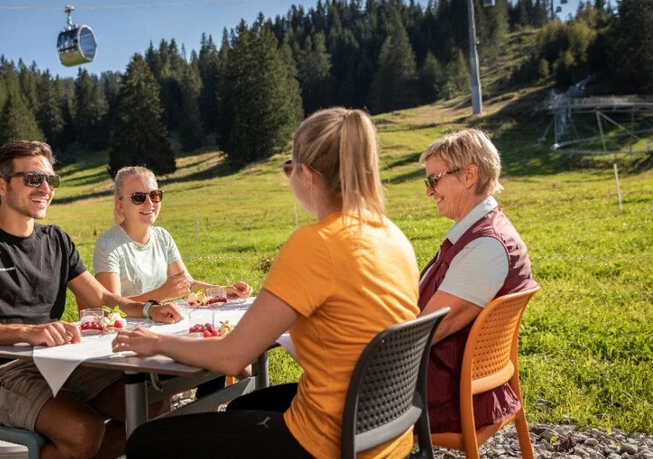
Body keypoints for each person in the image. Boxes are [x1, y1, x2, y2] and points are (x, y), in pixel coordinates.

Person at [113, 107, 421, 459]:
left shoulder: (316, 243)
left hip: (325, 443)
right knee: (243, 407)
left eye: (290, 169)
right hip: (384, 431)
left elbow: (232, 357)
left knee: (144, 440)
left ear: (306, 175)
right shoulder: (392, 236)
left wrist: (155, 343)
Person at [0, 140, 183, 459]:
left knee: (152, 405)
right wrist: (29, 332)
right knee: (84, 430)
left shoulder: (56, 240)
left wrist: (150, 309)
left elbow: (101, 296)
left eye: (50, 180)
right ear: (0, 184)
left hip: (57, 362)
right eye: (33, 179)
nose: (45, 188)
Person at [417, 129, 538, 434]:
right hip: (446, 387)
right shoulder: (484, 235)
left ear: (469, 176)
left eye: (434, 180)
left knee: (329, 399)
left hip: (443, 398)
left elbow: (423, 334)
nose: (430, 191)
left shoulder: (486, 247)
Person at [93, 165, 252, 303]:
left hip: (161, 320)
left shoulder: (162, 237)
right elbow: (109, 306)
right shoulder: (108, 245)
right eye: (138, 197)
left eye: (154, 195)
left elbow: (188, 284)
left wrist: (224, 290)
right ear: (120, 205)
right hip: (128, 327)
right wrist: (161, 294)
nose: (149, 203)